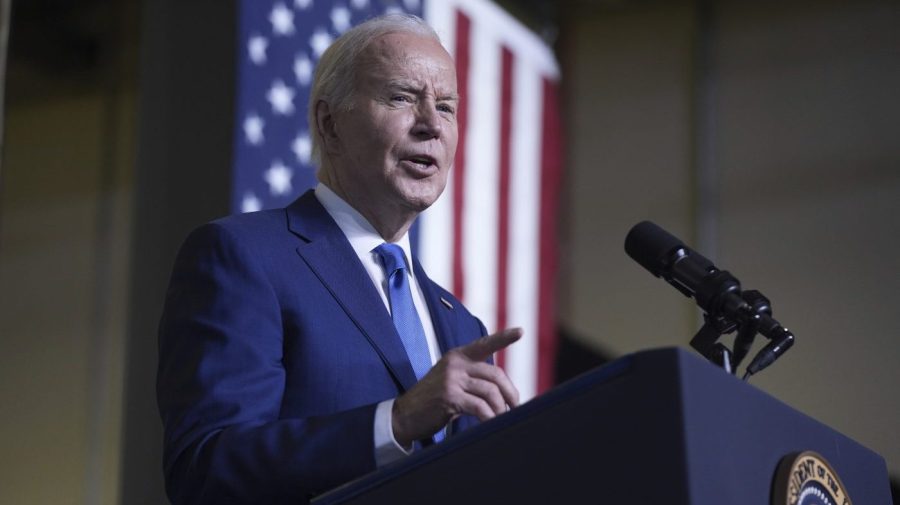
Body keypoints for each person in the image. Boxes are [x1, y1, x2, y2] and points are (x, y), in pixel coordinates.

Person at [156, 13, 521, 505]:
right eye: (402, 97)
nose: (432, 125)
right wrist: (397, 422)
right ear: (330, 124)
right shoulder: (245, 257)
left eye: (448, 106)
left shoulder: (464, 328)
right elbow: (206, 468)